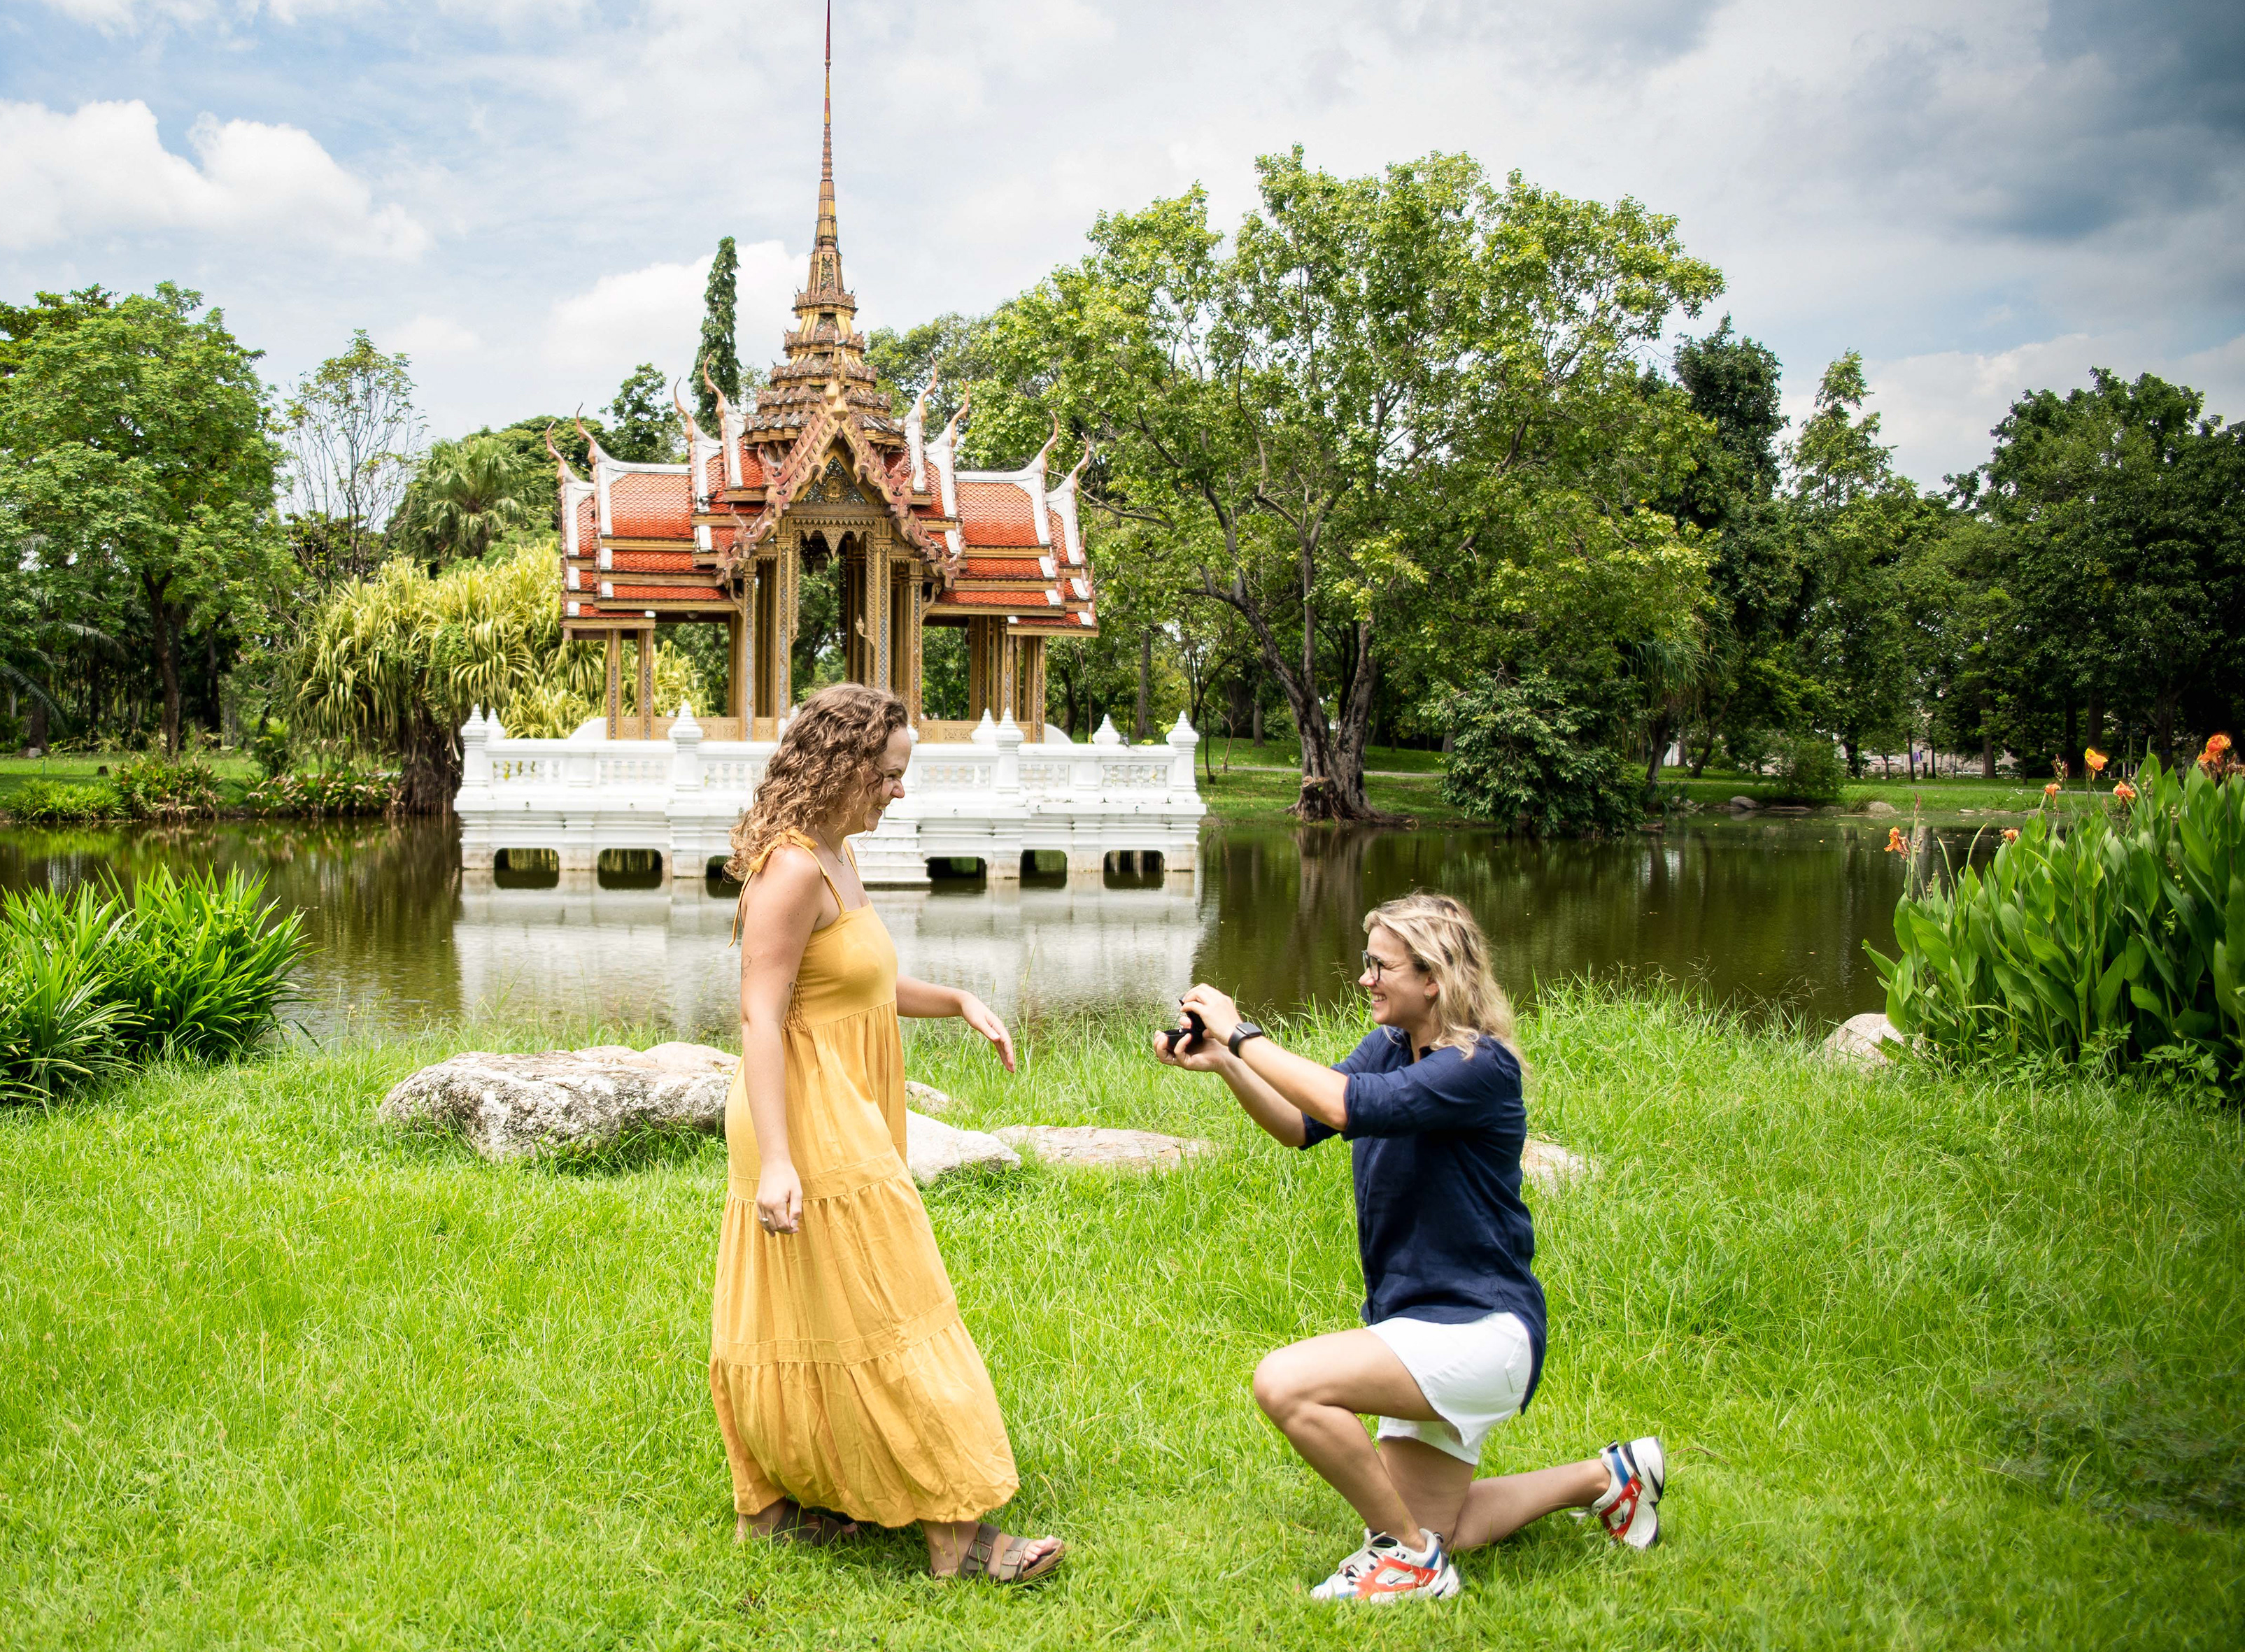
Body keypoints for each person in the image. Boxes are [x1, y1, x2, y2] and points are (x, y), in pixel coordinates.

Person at [1152, 891, 1664, 1604]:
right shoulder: (1393, 1045)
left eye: (1379, 965)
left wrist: (1244, 1033)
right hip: (1416, 1323)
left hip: (1483, 1329)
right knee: (1443, 1521)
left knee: (1286, 1381)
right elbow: (1305, 1123)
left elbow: (1350, 1106)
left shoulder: (1479, 1066)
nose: (1365, 979)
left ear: (1434, 977)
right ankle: (1607, 1478)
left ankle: (1408, 1562)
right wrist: (1225, 1063)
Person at [709, 682, 1064, 1584]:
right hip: (801, 1109)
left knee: (836, 1304)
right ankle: (958, 1529)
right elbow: (760, 1017)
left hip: (837, 1101)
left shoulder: (836, 855)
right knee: (894, 1300)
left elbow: (853, 986)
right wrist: (780, 1161)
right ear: (844, 765)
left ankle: (797, 1505)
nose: (899, 791)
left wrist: (956, 1000)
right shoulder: (790, 868)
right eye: (891, 773)